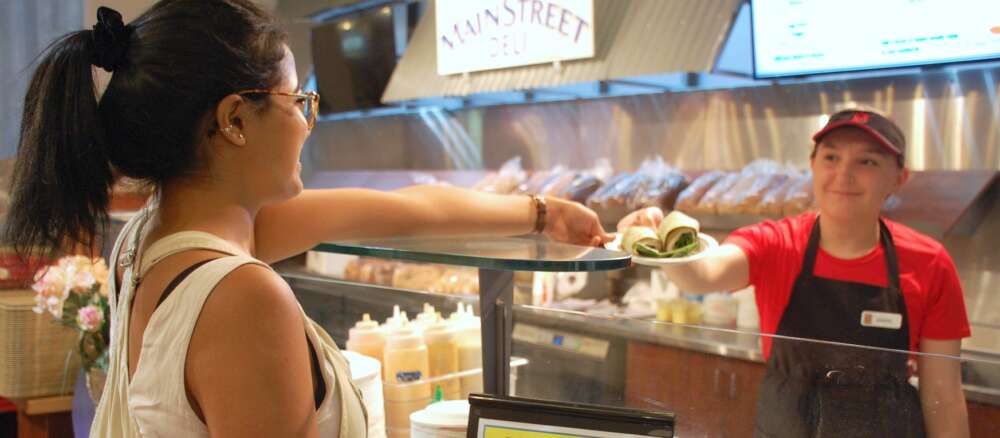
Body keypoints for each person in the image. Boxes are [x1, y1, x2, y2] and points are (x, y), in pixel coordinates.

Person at [4, 1, 612, 437]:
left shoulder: (155, 238)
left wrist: (542, 213)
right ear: (235, 120)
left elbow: (408, 209)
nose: (306, 120)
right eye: (299, 100)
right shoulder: (242, 296)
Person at [619, 109, 970, 437]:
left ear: (899, 178)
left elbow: (944, 394)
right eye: (831, 157)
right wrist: (666, 237)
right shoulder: (777, 243)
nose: (843, 174)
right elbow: (701, 276)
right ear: (813, 165)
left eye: (867, 161)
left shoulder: (929, 262)